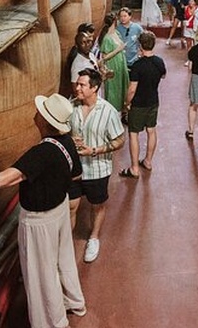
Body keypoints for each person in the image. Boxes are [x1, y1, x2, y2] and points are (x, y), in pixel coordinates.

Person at [0, 93, 86, 327]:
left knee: (41, 273)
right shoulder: (68, 141)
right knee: (63, 259)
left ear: (44, 121)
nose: (36, 113)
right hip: (59, 209)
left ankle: (53, 322)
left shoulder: (40, 154)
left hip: (39, 220)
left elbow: (0, 181)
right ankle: (75, 302)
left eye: (40, 112)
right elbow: (76, 174)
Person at [69, 68, 126, 263]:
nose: (77, 87)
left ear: (94, 88)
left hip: (97, 168)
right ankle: (66, 243)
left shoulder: (108, 111)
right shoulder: (72, 107)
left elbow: (119, 140)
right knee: (71, 206)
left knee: (97, 205)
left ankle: (93, 238)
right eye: (78, 83)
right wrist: (70, 139)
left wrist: (94, 150)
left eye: (82, 85)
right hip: (75, 169)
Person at [120, 31, 167, 177]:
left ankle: (134, 168)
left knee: (134, 134)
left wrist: (127, 103)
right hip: (153, 101)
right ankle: (148, 161)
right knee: (151, 131)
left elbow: (132, 89)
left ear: (140, 46)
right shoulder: (159, 62)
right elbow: (163, 75)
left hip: (139, 104)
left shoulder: (137, 66)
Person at [96, 12, 129, 113]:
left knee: (123, 86)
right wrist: (118, 49)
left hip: (121, 64)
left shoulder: (117, 33)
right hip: (113, 65)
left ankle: (123, 110)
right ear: (114, 22)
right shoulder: (106, 38)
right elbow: (104, 57)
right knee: (114, 90)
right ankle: (113, 112)